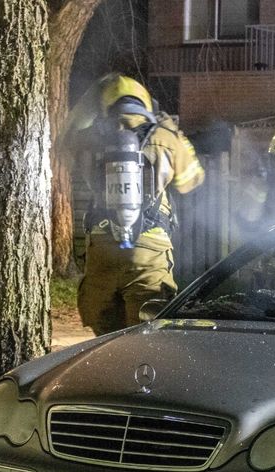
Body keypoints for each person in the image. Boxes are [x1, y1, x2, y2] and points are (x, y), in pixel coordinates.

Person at [67, 74, 204, 335]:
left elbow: (64, 139)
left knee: (106, 342)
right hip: (149, 253)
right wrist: (173, 132)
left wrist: (86, 106)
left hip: (102, 252)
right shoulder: (164, 137)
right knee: (147, 339)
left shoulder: (88, 139)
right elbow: (192, 180)